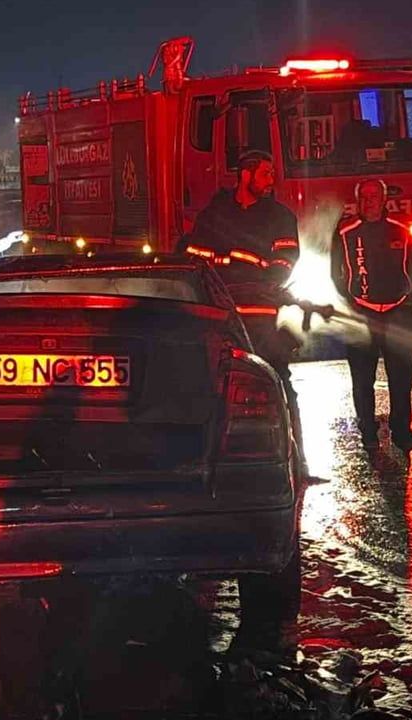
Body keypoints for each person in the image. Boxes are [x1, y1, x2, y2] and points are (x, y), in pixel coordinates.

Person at [177, 150, 318, 658]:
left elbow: (278, 267)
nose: (270, 177)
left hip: (262, 327)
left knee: (278, 394)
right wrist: (235, 261)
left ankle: (291, 461)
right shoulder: (214, 214)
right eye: (263, 170)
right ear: (243, 172)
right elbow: (192, 257)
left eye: (271, 171)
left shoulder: (280, 218)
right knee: (216, 401)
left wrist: (231, 260)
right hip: (220, 329)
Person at [332, 178, 412, 452]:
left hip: (397, 313)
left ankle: (401, 432)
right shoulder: (345, 232)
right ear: (358, 201)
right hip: (362, 314)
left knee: (402, 377)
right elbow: (333, 271)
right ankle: (368, 433)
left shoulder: (401, 230)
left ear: (384, 200)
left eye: (374, 196)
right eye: (364, 197)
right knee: (362, 379)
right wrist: (347, 302)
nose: (369, 201)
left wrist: (410, 299)